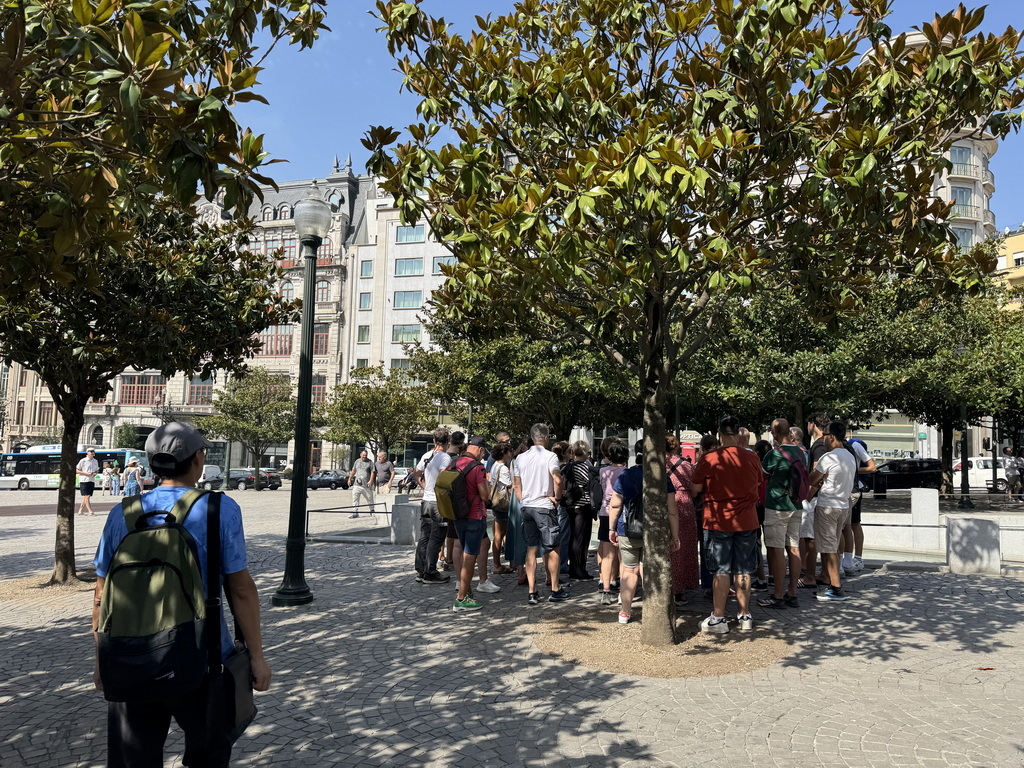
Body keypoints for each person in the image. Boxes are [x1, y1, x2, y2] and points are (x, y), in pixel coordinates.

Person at [92, 422, 270, 768]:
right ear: (198, 459)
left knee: (133, 759)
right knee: (208, 757)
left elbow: (101, 595)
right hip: (205, 658)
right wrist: (257, 658)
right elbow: (241, 589)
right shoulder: (219, 508)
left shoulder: (122, 513)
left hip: (131, 655)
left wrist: (101, 661)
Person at [691, 415, 763, 634]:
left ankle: (719, 617)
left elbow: (695, 488)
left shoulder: (710, 458)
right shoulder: (752, 457)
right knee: (744, 569)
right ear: (738, 434)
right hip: (747, 519)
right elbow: (758, 481)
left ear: (719, 434)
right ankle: (744, 614)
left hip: (718, 519)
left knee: (721, 570)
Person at [607, 440, 679, 624]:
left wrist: (612, 528)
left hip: (627, 530)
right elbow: (672, 510)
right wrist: (675, 535)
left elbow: (615, 505)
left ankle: (625, 612)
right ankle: (653, 610)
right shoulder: (662, 477)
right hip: (655, 531)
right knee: (651, 570)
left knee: (629, 570)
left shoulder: (626, 474)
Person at [512, 423, 568, 604]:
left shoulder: (520, 458)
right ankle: (555, 588)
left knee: (531, 547)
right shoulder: (550, 456)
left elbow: (516, 484)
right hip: (544, 505)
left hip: (527, 506)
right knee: (553, 547)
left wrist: (522, 500)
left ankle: (532, 591)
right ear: (545, 437)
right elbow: (557, 479)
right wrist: (557, 498)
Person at [759, 419, 805, 610]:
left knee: (776, 549)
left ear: (775, 432)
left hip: (777, 505)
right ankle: (792, 593)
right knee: (794, 547)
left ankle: (777, 595)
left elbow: (762, 475)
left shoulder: (774, 454)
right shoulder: (801, 453)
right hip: (796, 505)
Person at [809, 421, 858, 600]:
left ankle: (836, 588)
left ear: (831, 437)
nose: (823, 440)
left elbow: (812, 478)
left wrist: (817, 479)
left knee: (828, 548)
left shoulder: (829, 457)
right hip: (843, 506)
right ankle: (832, 583)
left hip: (828, 506)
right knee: (833, 546)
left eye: (824, 436)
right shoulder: (850, 456)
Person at [452, 436, 493, 610]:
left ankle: (466, 591)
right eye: (483, 452)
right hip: (474, 516)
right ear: (480, 449)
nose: (483, 455)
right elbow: (485, 495)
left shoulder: (454, 463)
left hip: (457, 514)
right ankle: (461, 598)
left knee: (464, 554)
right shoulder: (477, 468)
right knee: (470, 557)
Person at [412, 428, 452, 585]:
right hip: (437, 502)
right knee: (436, 537)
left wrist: (425, 486)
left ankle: (421, 571)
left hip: (426, 500)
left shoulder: (426, 455)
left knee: (425, 536)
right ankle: (430, 572)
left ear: (434, 441)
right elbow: (443, 476)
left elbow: (416, 473)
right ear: (447, 442)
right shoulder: (445, 457)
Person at [666, 435, 698, 604]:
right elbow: (695, 489)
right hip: (684, 502)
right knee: (684, 544)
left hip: (665, 502)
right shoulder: (685, 465)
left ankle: (667, 584)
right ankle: (681, 587)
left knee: (668, 545)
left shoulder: (658, 464)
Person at [596, 440, 628, 604]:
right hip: (623, 514)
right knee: (623, 555)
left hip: (605, 512)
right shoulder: (626, 473)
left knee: (607, 554)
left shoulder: (603, 471)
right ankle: (623, 592)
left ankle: (605, 589)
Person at [563, 440, 597, 581]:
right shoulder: (583, 466)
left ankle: (574, 568)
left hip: (572, 506)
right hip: (582, 506)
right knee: (581, 539)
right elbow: (590, 481)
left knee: (574, 538)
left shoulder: (570, 465)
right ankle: (579, 569)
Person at [488, 442, 514, 574]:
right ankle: (497, 564)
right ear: (504, 453)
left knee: (498, 534)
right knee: (500, 534)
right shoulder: (502, 468)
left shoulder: (494, 465)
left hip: (496, 503)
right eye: (509, 451)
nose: (511, 454)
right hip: (502, 503)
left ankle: (497, 563)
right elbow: (509, 484)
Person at [347, 450, 376, 518]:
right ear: (360, 455)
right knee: (355, 498)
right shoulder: (357, 461)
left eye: (366, 455)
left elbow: (373, 472)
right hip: (357, 484)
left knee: (369, 498)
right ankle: (355, 512)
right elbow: (353, 471)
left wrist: (371, 481)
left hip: (366, 485)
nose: (364, 456)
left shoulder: (370, 462)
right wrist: (350, 479)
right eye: (363, 455)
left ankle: (372, 510)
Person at [77, 448, 100, 516]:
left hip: (91, 480)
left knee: (87, 496)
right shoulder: (83, 460)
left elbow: (96, 470)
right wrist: (86, 473)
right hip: (84, 480)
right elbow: (77, 470)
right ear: (87, 453)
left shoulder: (95, 461)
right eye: (91, 451)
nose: (92, 453)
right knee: (86, 496)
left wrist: (95, 473)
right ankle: (90, 511)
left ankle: (80, 510)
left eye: (93, 451)